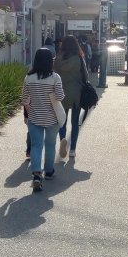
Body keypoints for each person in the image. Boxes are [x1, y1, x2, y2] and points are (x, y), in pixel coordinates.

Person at [22, 47, 64, 191]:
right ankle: (49, 172)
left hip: (34, 118)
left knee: (36, 146)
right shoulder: (55, 77)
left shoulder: (28, 78)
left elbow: (25, 100)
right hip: (52, 118)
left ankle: (36, 174)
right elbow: (60, 97)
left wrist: (30, 111)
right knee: (50, 145)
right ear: (50, 61)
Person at [53, 35, 88, 159]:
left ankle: (63, 139)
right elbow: (86, 76)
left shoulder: (57, 60)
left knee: (62, 120)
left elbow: (53, 76)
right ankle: (72, 150)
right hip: (76, 94)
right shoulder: (79, 58)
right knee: (75, 122)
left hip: (61, 93)